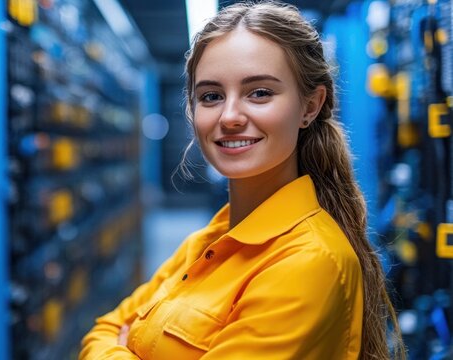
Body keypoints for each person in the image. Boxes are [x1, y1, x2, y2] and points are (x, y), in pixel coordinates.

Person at [80, 1, 405, 359]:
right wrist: (113, 342)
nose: (230, 116)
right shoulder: (210, 240)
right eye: (211, 96)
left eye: (260, 92)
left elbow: (108, 337)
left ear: (310, 106)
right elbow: (102, 328)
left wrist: (121, 347)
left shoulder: (309, 262)